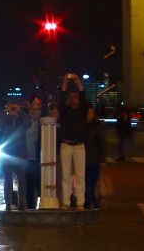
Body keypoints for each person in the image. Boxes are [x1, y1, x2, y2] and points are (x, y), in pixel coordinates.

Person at [58, 72, 89, 208]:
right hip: (66, 144)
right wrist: (65, 83)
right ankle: (66, 202)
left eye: (75, 97)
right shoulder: (65, 112)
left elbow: (84, 98)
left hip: (79, 146)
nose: (74, 99)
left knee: (80, 176)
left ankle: (80, 202)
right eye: (71, 98)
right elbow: (61, 99)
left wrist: (78, 82)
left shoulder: (82, 111)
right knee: (66, 176)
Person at [0, 100, 30, 210]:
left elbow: (28, 123)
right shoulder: (5, 120)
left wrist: (20, 111)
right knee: (8, 180)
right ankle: (8, 203)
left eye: (15, 107)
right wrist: (6, 111)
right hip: (7, 154)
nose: (13, 110)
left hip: (20, 154)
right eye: (12, 107)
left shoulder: (22, 119)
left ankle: (22, 203)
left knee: (21, 179)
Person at [83, 103, 106, 209]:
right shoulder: (82, 125)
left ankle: (91, 199)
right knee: (86, 181)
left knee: (93, 181)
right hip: (84, 157)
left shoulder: (97, 125)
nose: (90, 115)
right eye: (88, 113)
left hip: (94, 158)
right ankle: (89, 200)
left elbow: (102, 142)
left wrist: (102, 159)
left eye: (92, 112)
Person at [24, 98, 43, 209]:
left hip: (37, 157)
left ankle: (40, 205)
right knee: (29, 184)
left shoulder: (42, 123)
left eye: (37, 109)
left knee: (39, 183)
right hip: (27, 157)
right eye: (32, 109)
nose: (34, 112)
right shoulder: (26, 121)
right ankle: (30, 206)